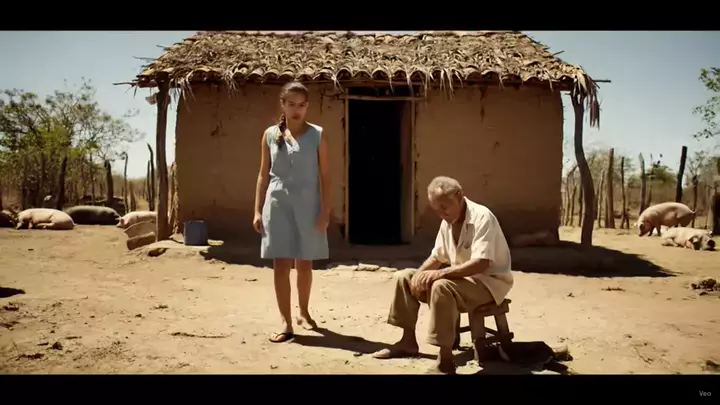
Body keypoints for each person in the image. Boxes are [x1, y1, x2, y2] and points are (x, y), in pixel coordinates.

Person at [372, 176, 513, 374]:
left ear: (459, 196)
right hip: (462, 281)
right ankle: (407, 342)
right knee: (405, 277)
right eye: (436, 209)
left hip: (488, 284)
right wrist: (418, 277)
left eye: (444, 207)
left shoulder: (482, 217)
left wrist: (440, 274)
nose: (441, 213)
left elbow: (482, 263)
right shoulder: (448, 221)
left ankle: (445, 359)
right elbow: (437, 257)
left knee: (441, 286)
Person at [252, 81, 331, 343]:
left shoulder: (317, 135)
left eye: (302, 105)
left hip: (309, 205)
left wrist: (325, 211)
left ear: (308, 106)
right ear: (282, 105)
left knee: (305, 263)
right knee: (281, 264)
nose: (297, 110)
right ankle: (286, 322)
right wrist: (257, 210)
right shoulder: (269, 135)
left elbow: (326, 176)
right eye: (291, 104)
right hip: (277, 204)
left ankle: (304, 312)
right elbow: (263, 174)